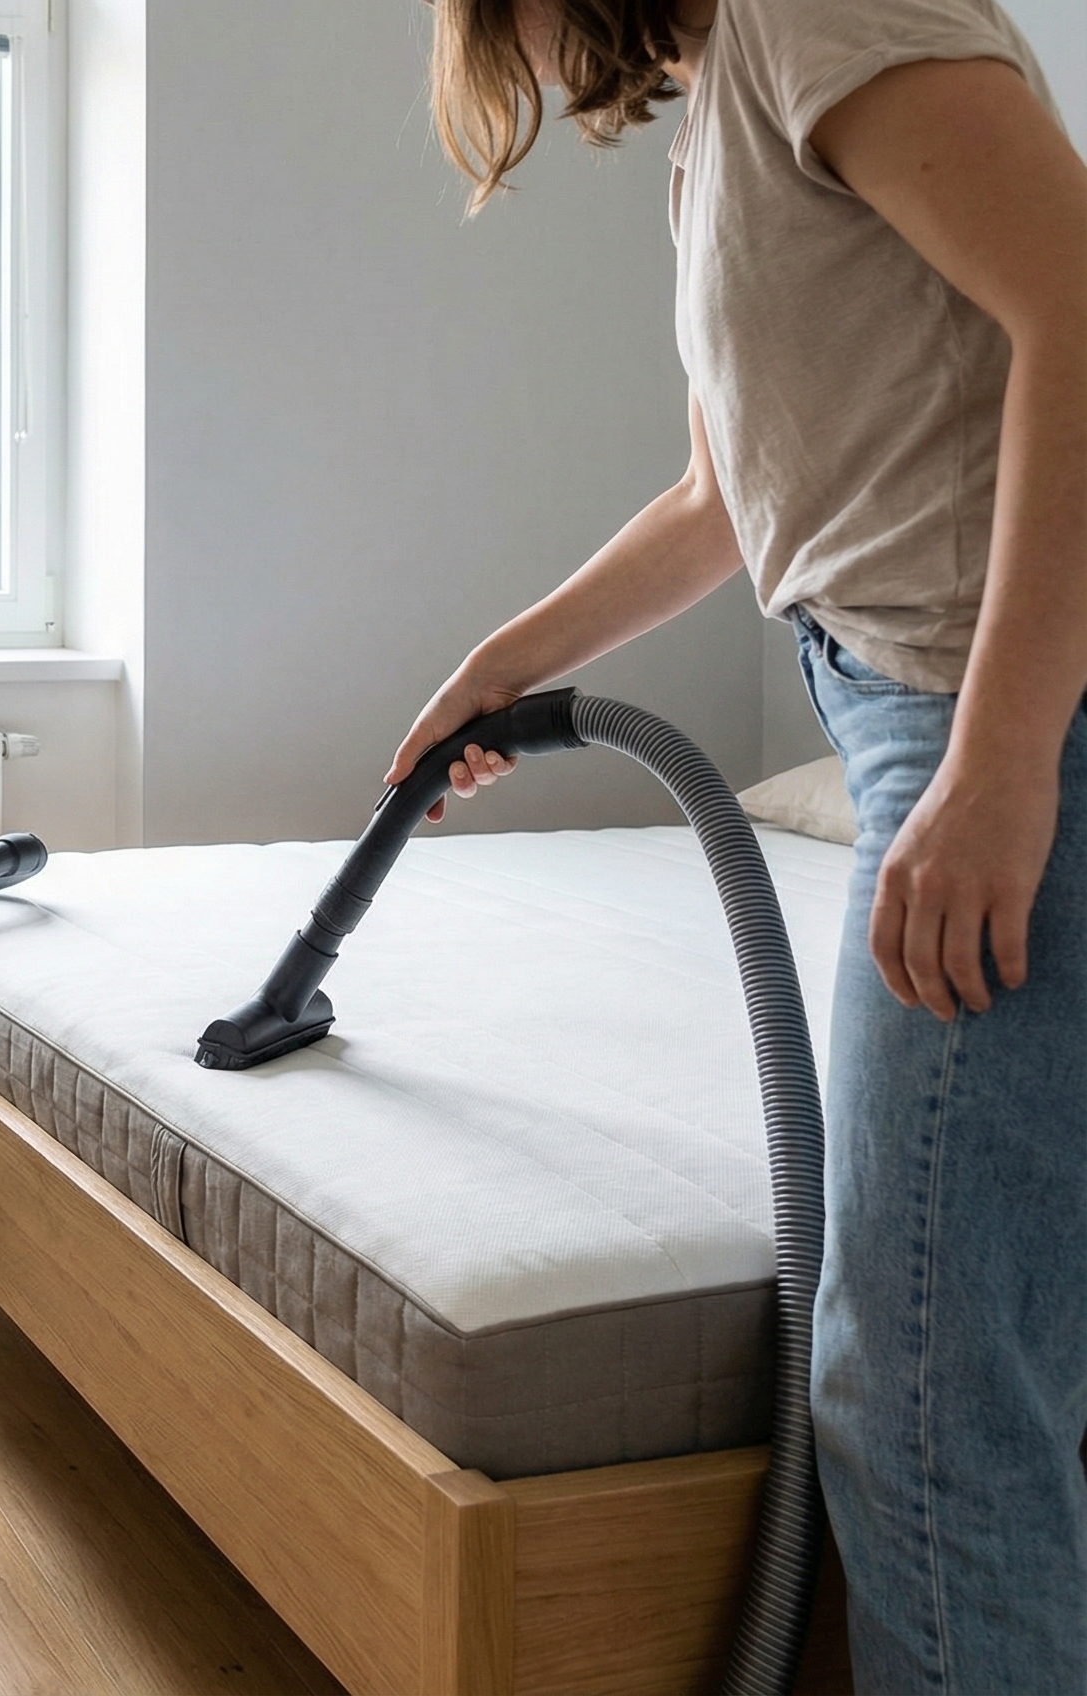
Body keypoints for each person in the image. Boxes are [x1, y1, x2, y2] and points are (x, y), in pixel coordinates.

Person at [397, 0, 1087, 1685]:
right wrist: (507, 662)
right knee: (970, 1360)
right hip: (905, 700)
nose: (515, 52)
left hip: (990, 706)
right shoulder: (723, 110)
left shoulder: (813, 8)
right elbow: (727, 499)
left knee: (923, 1394)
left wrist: (1000, 762)